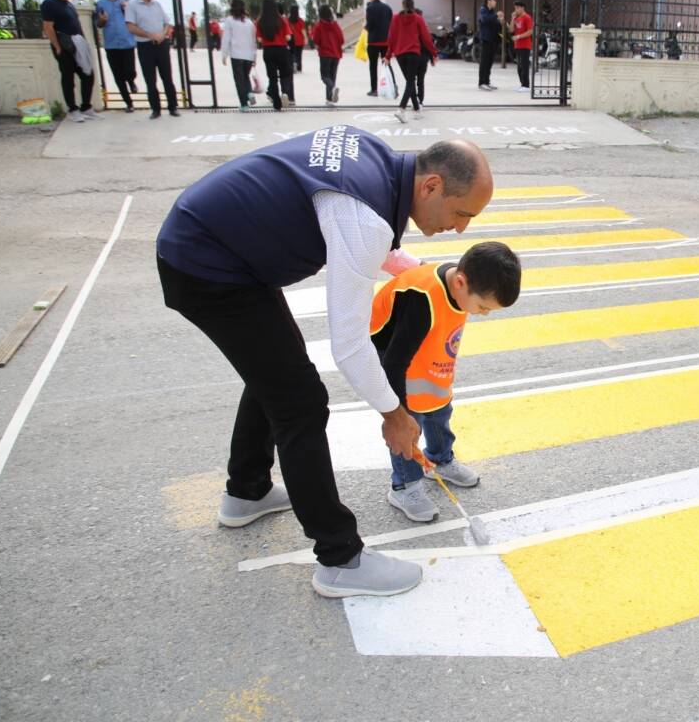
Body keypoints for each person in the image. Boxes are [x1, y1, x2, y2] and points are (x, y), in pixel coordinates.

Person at [156, 132, 495, 597]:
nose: (461, 230)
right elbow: (351, 344)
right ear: (432, 186)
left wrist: (425, 270)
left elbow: (365, 241)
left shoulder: (381, 164)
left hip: (219, 244)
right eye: (462, 214)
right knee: (301, 403)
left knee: (276, 371)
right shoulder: (366, 217)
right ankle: (340, 559)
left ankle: (246, 492)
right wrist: (395, 415)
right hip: (208, 265)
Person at [371, 242, 521, 521]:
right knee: (409, 423)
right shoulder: (421, 300)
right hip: (394, 356)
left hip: (429, 353)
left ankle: (441, 459)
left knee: (439, 406)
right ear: (461, 282)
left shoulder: (462, 287)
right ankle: (405, 486)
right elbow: (394, 362)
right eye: (483, 307)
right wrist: (397, 413)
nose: (484, 313)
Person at [41, 0, 99, 123]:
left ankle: (86, 107)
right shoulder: (49, 4)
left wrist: (83, 43)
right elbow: (48, 27)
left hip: (78, 45)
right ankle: (73, 109)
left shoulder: (69, 4)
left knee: (88, 75)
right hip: (64, 46)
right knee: (68, 78)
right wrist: (57, 47)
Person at [125, 0, 179, 119]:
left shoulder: (157, 5)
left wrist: (162, 34)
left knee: (167, 77)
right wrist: (150, 35)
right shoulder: (132, 6)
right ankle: (156, 109)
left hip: (162, 45)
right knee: (150, 79)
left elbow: (167, 23)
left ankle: (173, 107)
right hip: (145, 46)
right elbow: (131, 27)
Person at [385, 0, 437, 124]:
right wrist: (433, 53)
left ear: (402, 5)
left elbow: (391, 37)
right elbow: (426, 38)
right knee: (410, 82)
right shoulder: (417, 19)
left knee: (410, 82)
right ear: (413, 6)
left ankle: (417, 109)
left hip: (400, 54)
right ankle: (401, 109)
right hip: (413, 53)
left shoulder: (395, 18)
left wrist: (388, 56)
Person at [94, 0, 138, 114]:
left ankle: (131, 81)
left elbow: (134, 20)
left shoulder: (126, 1)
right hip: (111, 44)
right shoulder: (100, 4)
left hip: (127, 42)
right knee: (118, 76)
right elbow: (98, 24)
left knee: (129, 70)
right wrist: (102, 20)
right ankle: (128, 103)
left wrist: (126, 9)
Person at [256, 0, 294, 111]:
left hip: (268, 51)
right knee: (285, 74)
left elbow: (259, 40)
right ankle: (285, 93)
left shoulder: (260, 21)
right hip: (281, 50)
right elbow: (288, 37)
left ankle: (277, 103)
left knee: (272, 78)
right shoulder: (282, 20)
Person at [220, 0, 258, 112]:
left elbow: (226, 38)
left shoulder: (230, 21)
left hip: (236, 55)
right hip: (249, 55)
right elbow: (253, 41)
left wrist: (224, 54)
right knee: (245, 77)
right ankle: (249, 93)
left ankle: (244, 104)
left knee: (239, 80)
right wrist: (254, 56)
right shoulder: (249, 22)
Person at [311, 4, 345, 107]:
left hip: (325, 54)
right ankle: (329, 99)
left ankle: (333, 88)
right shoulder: (335, 25)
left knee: (325, 76)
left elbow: (315, 40)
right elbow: (342, 40)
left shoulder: (319, 26)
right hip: (336, 55)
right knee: (332, 76)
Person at [364, 0, 393, 97]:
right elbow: (390, 23)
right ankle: (392, 86)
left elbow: (370, 24)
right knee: (387, 64)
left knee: (373, 66)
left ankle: (374, 89)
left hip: (373, 42)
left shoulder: (370, 8)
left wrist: (365, 27)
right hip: (386, 41)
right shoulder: (387, 8)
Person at [477, 0, 503, 91]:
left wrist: (500, 21)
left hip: (493, 40)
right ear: (488, 1)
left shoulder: (491, 12)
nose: (495, 2)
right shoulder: (483, 10)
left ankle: (487, 81)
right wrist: (496, 16)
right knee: (484, 61)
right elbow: (485, 20)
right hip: (486, 40)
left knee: (490, 62)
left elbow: (494, 23)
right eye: (494, 0)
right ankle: (481, 82)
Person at [508, 0, 534, 92]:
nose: (516, 10)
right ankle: (522, 84)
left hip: (525, 45)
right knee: (519, 66)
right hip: (517, 45)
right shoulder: (517, 18)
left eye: (518, 8)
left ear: (523, 8)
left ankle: (526, 85)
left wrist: (519, 36)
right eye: (515, 8)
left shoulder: (527, 17)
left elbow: (530, 31)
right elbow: (511, 30)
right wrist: (512, 18)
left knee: (524, 65)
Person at [288, 5, 306, 72]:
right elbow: (303, 30)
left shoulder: (288, 20)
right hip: (300, 40)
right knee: (299, 54)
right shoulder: (300, 20)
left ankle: (293, 64)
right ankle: (299, 67)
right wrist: (306, 38)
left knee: (292, 54)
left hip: (291, 40)